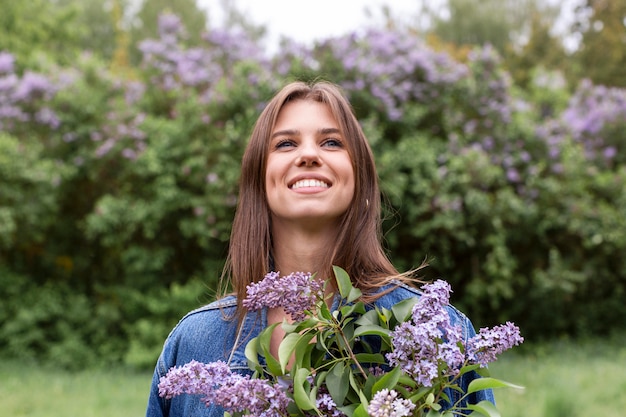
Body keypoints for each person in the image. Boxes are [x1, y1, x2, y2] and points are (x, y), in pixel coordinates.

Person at [145, 81, 494, 417]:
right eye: (284, 144)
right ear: (258, 180)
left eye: (331, 142)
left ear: (361, 178)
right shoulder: (193, 345)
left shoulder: (443, 334)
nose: (309, 154)